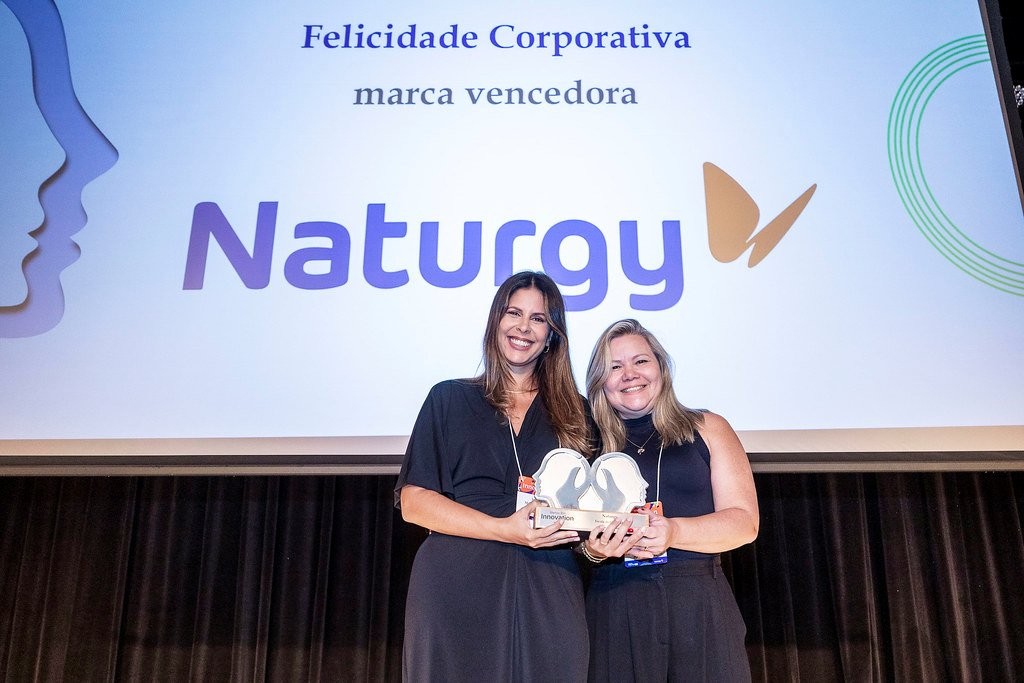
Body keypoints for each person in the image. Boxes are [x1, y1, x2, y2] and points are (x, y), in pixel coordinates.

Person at [396, 271, 593, 682]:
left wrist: (600, 545)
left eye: (538, 319)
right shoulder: (449, 398)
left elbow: (593, 516)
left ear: (552, 335)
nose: (523, 327)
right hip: (457, 579)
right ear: (496, 321)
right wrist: (505, 529)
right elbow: (414, 503)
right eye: (513, 313)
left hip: (549, 580)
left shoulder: (579, 412)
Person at [578, 319, 758, 682]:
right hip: (615, 601)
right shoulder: (585, 444)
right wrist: (594, 552)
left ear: (661, 367)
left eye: (640, 361)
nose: (629, 374)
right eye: (614, 367)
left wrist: (673, 532)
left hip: (699, 602)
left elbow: (745, 523)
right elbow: (570, 538)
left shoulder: (708, 427)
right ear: (600, 382)